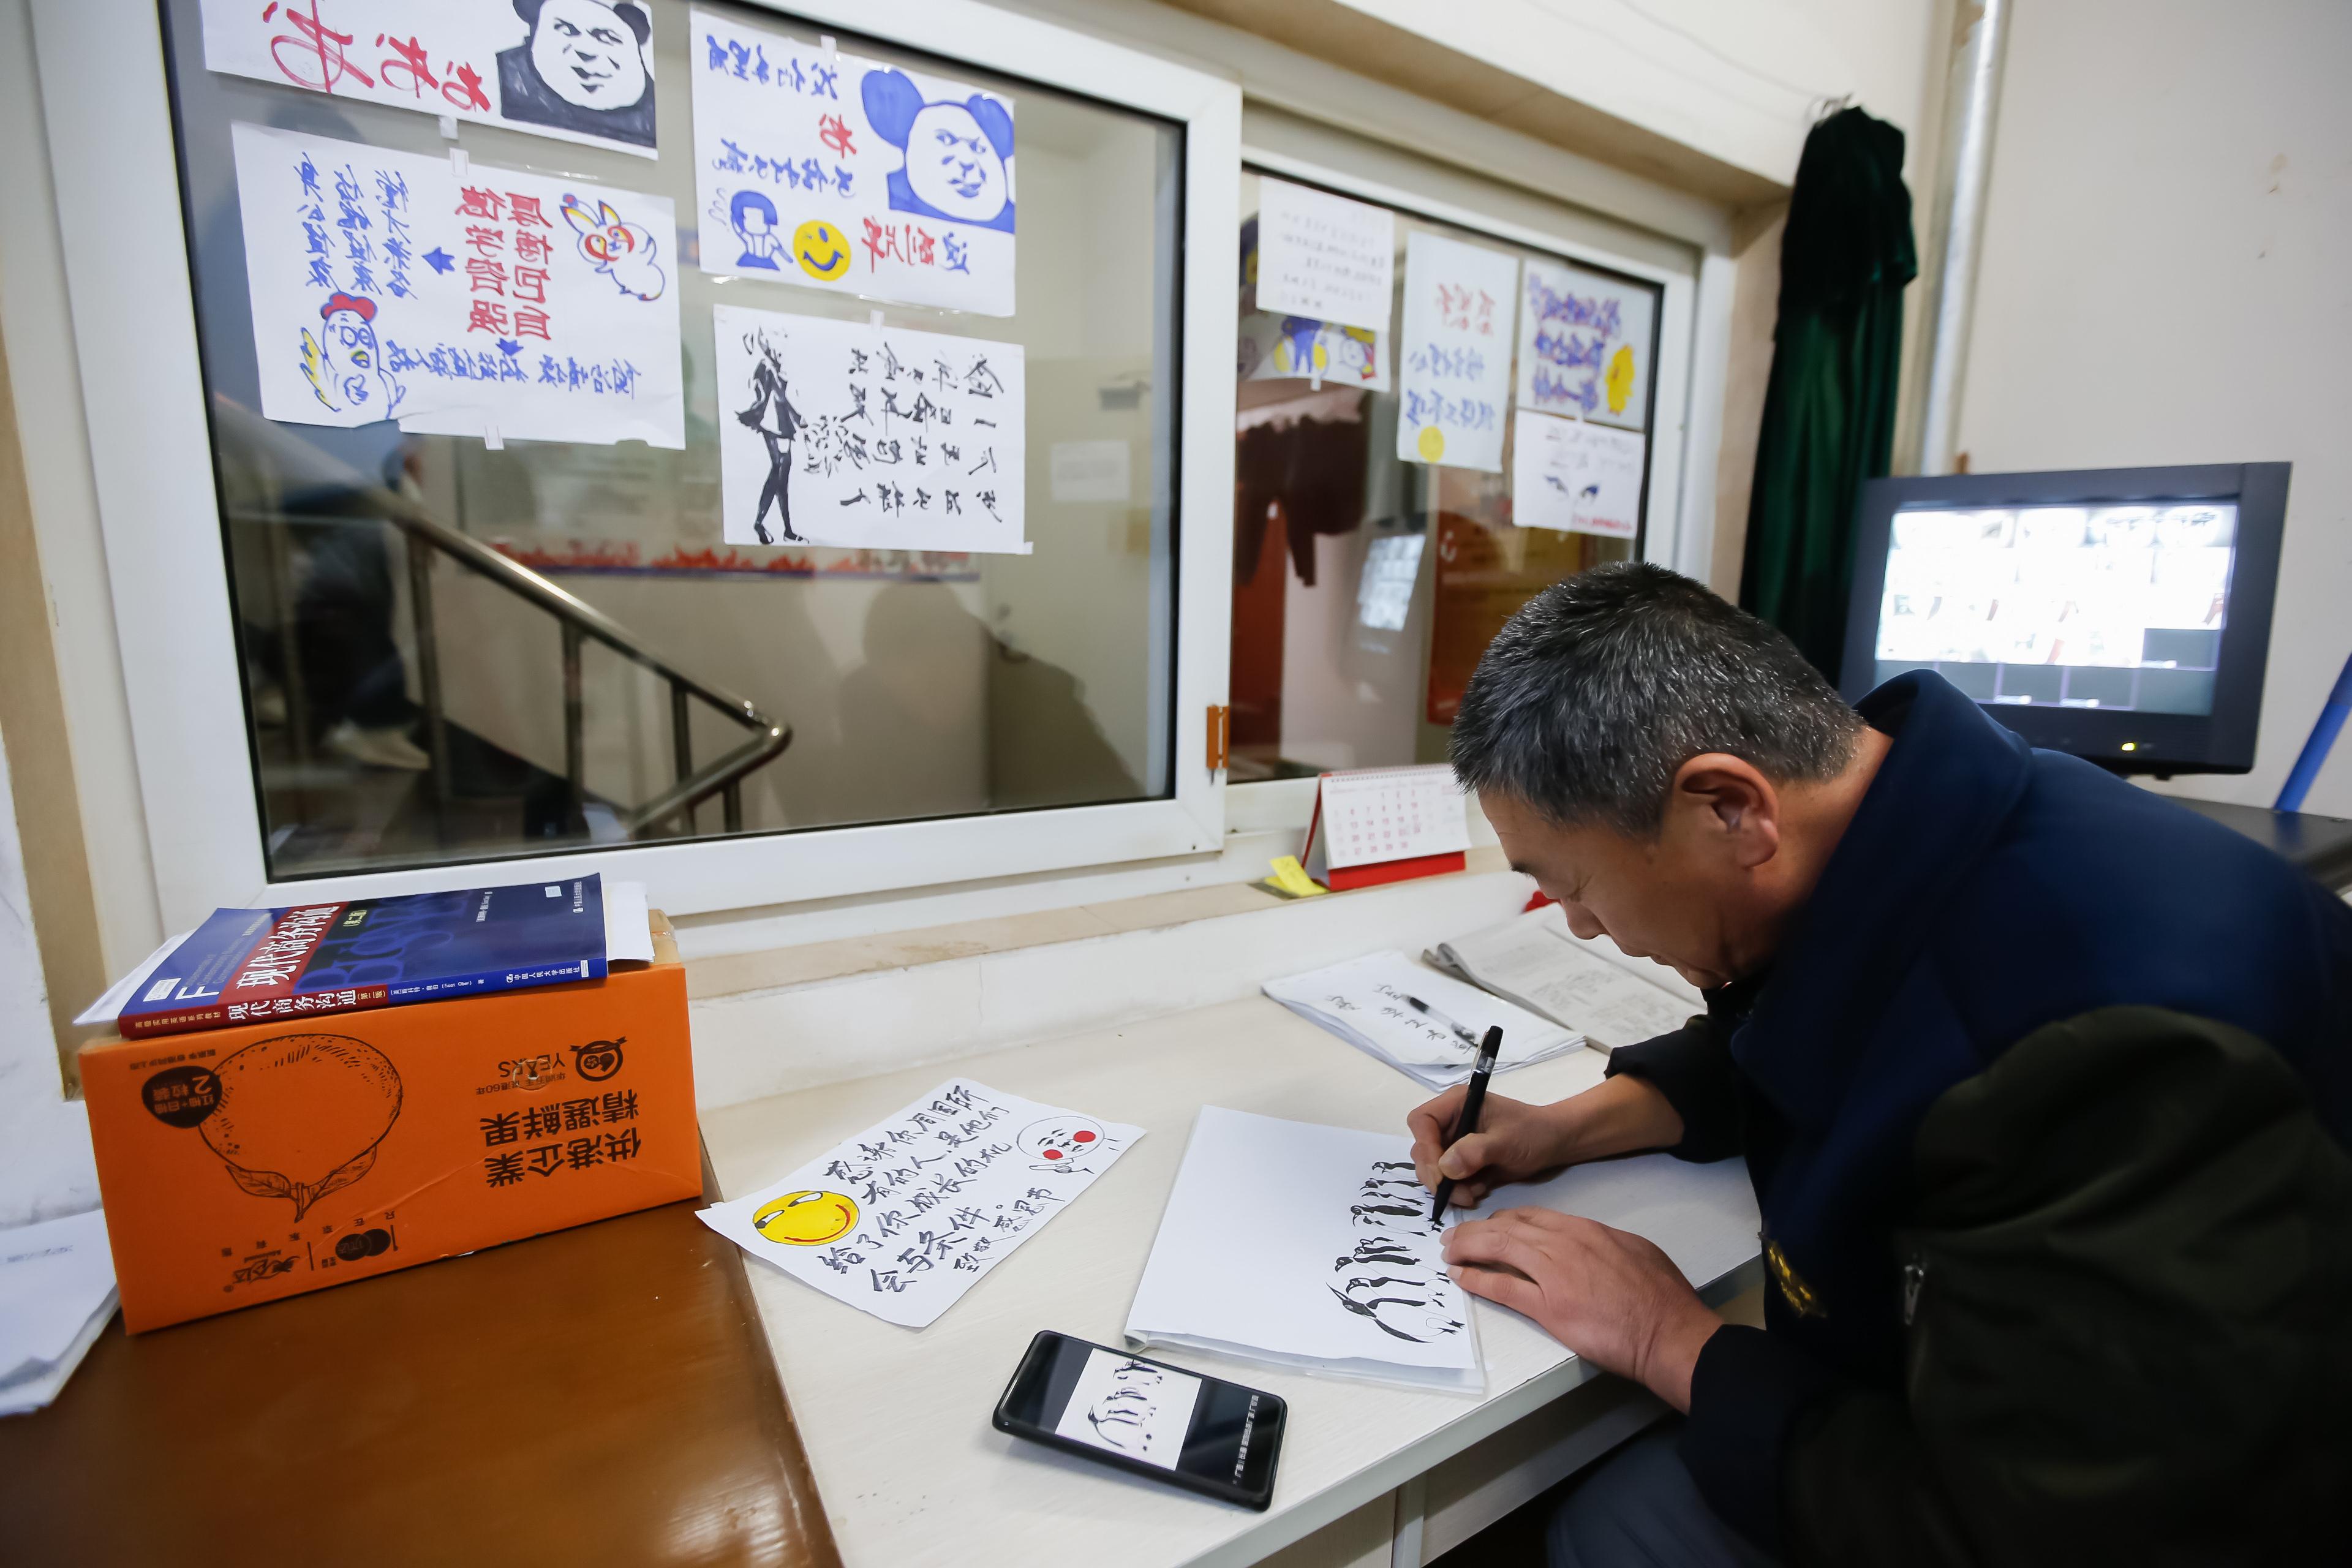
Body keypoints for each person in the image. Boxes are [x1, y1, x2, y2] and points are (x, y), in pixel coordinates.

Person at [1409, 562, 2351, 1566]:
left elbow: (2012, 1531)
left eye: (1576, 886)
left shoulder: (2099, 1054)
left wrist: (1667, 1340)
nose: (1586, 927)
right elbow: (1819, 1023)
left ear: (1728, 807)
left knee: (1617, 1526)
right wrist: (1568, 1128)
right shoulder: (1953, 817)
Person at [496, 0, 657, 149]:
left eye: (606, 37)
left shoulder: (649, 110)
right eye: (567, 30)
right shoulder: (511, 75)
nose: (585, 50)